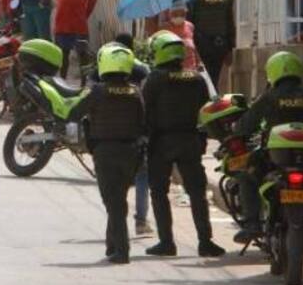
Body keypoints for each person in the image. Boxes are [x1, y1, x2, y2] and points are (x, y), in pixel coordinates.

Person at [233, 51, 303, 283]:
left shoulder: (269, 97)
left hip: (276, 162)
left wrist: (241, 135)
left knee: (246, 175)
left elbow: (245, 127)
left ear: (272, 73)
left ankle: (253, 223)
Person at [141, 31, 224, 258]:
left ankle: (166, 242)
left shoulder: (155, 79)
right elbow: (205, 112)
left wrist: (143, 140)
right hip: (190, 140)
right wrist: (203, 139)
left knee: (159, 192)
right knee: (197, 192)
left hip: (161, 142)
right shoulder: (196, 79)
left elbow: (144, 112)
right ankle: (205, 242)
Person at [85, 43, 146, 263]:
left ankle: (122, 250)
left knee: (113, 201)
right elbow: (143, 121)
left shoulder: (97, 91)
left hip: (105, 151)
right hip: (131, 151)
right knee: (118, 198)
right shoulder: (136, 91)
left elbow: (75, 111)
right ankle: (112, 245)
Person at [114, 32, 153, 236]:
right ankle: (141, 221)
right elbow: (148, 100)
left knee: (116, 180)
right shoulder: (142, 69)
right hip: (136, 131)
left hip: (111, 133)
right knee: (142, 176)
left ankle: (116, 222)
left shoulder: (103, 70)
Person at [186, 0, 234, 89]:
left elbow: (189, 24)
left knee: (202, 83)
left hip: (201, 46)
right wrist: (230, 48)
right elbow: (230, 25)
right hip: (221, 46)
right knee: (214, 80)